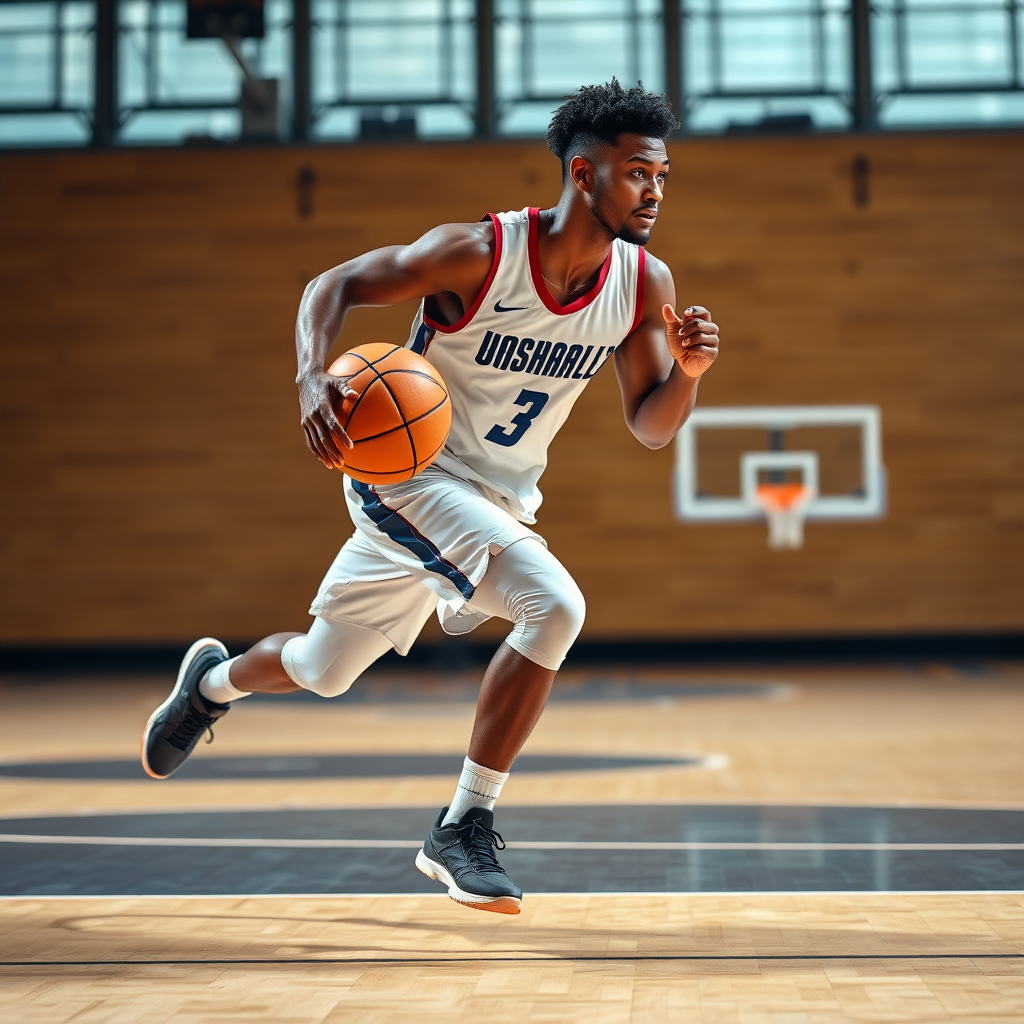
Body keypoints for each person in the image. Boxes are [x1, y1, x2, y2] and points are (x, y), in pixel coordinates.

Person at [141, 80, 720, 915]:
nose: (656, 192)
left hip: (496, 499)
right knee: (553, 605)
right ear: (584, 174)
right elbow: (331, 285)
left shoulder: (642, 283)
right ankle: (463, 823)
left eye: (663, 176)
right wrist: (311, 379)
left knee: (321, 667)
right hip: (405, 475)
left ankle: (211, 684)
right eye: (639, 173)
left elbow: (652, 426)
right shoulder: (480, 253)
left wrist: (690, 377)